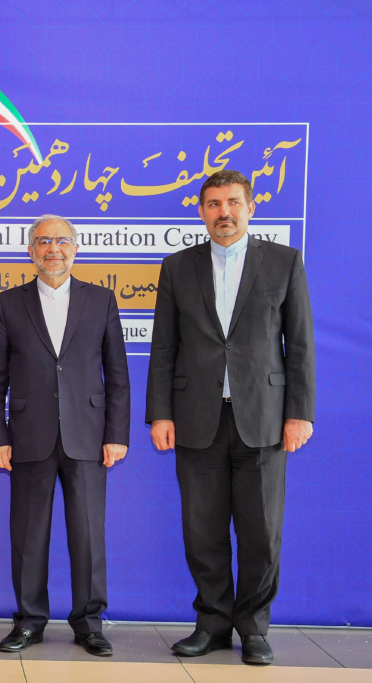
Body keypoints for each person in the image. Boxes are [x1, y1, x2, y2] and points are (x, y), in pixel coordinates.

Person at [146, 169, 316, 666]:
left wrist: (299, 413)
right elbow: (164, 346)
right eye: (214, 204)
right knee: (202, 531)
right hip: (195, 418)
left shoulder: (284, 262)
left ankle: (254, 628)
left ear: (250, 207)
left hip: (264, 419)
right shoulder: (177, 267)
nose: (224, 212)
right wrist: (160, 413)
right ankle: (212, 625)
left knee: (261, 533)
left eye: (233, 202)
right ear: (202, 211)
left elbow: (300, 344)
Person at [0, 215, 130, 656]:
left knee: (88, 536)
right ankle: (29, 622)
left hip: (88, 436)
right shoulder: (8, 303)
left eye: (62, 241)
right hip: (29, 435)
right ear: (31, 251)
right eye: (44, 241)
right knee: (29, 537)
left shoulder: (101, 300)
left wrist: (117, 433)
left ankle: (89, 624)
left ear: (75, 249)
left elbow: (117, 375)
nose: (53, 249)